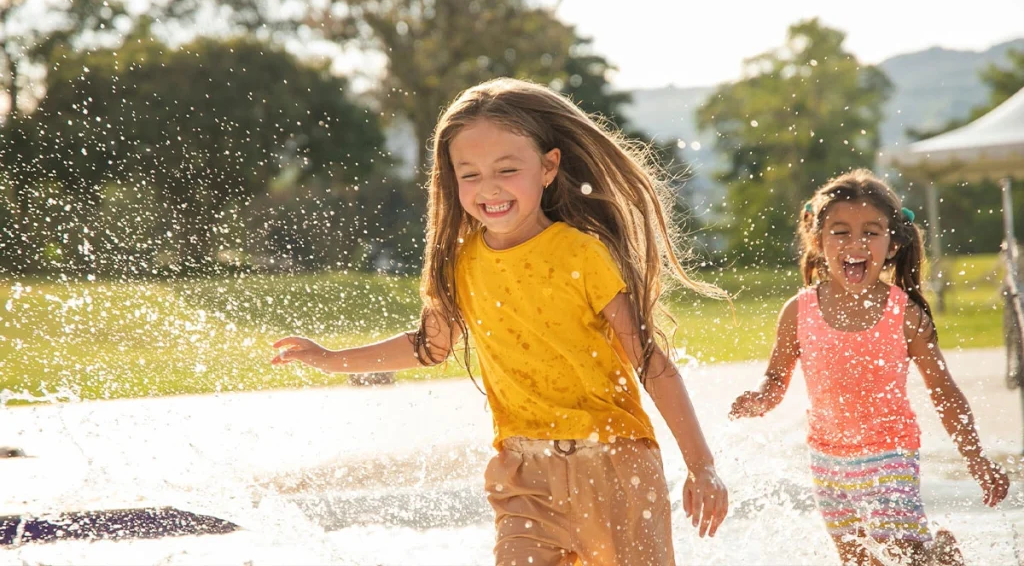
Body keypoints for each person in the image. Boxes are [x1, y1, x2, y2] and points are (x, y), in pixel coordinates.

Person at [272, 77, 728, 565]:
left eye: (507, 169)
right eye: (469, 174)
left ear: (548, 167)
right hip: (522, 475)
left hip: (613, 466)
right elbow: (431, 346)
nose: (489, 187)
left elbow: (650, 361)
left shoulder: (581, 253)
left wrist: (701, 466)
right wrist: (333, 359)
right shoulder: (459, 261)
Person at [729, 169, 1010, 565]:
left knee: (904, 556)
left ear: (892, 243)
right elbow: (776, 377)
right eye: (841, 232)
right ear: (818, 239)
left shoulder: (904, 314)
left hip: (890, 452)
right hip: (827, 461)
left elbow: (943, 392)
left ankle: (935, 555)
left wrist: (976, 458)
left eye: (871, 232)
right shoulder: (799, 311)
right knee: (860, 561)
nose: (856, 243)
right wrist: (761, 397)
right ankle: (938, 555)